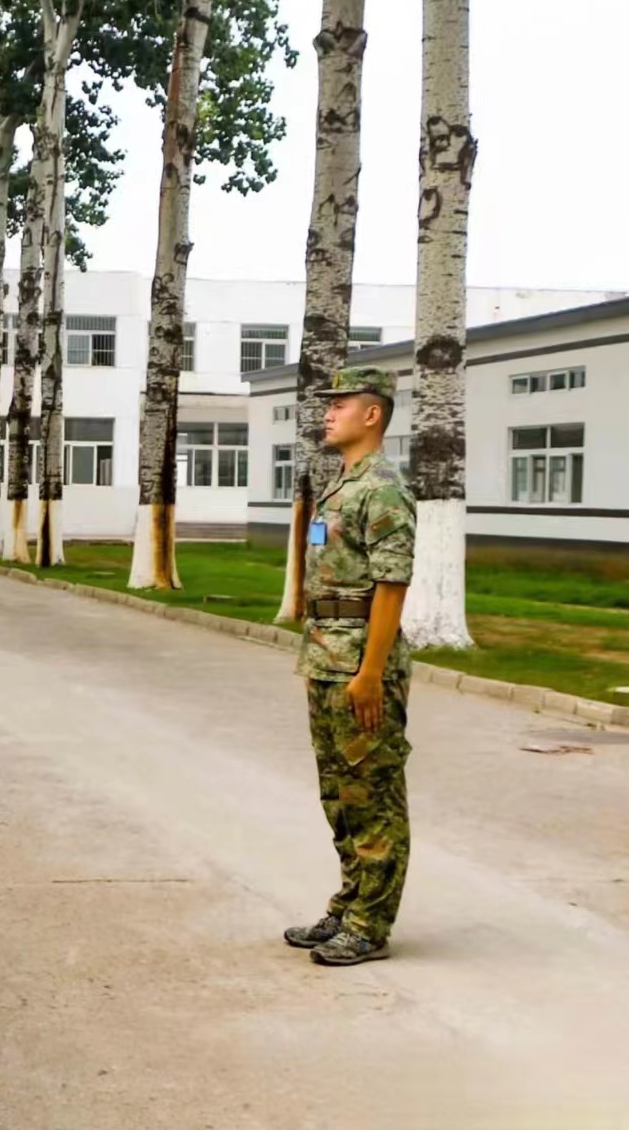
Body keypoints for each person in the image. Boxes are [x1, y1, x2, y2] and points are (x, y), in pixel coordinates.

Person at [284, 366, 417, 967]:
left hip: (362, 662)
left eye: (340, 404)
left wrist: (370, 673)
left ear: (372, 414)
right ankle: (350, 902)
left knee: (372, 794)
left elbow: (392, 584)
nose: (328, 413)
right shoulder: (343, 483)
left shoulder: (382, 487)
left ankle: (370, 924)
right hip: (326, 655)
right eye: (328, 404)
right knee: (339, 794)